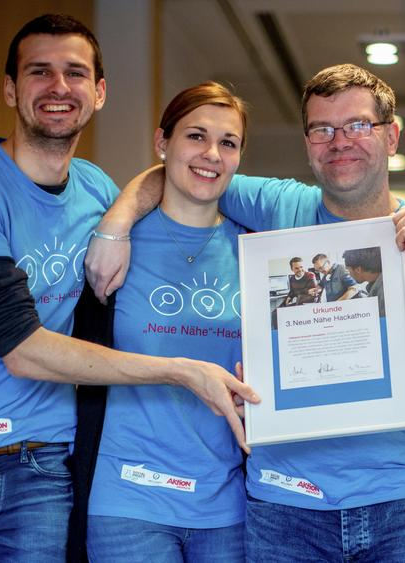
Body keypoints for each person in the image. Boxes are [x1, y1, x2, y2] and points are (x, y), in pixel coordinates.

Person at [85, 63, 405, 561]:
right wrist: (115, 224)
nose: (339, 141)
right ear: (308, 142)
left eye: (357, 125)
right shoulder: (280, 206)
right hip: (288, 506)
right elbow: (188, 170)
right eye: (322, 129)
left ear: (391, 136)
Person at [0, 15, 255, 562]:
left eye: (75, 73)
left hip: (40, 462)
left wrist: (119, 217)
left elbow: (171, 173)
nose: (59, 87)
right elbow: (20, 347)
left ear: (99, 92)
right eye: (40, 72)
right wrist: (179, 370)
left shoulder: (97, 191)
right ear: (11, 88)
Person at [81, 81, 251, 562]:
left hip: (227, 506)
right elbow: (40, 313)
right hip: (127, 499)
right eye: (196, 136)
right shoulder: (111, 241)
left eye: (228, 142)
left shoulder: (257, 250)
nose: (212, 153)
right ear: (162, 143)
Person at [343, 246, 385, 312]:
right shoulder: (378, 284)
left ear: (358, 270)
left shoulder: (382, 293)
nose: (349, 274)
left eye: (348, 270)